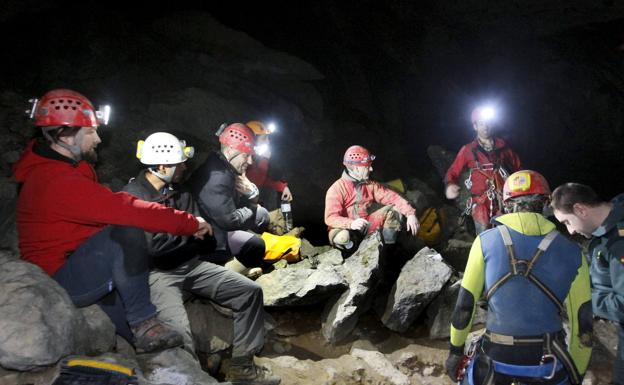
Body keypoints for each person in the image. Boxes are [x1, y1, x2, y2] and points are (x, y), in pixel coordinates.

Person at [13, 89, 211, 353]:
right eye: (90, 131)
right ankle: (145, 323)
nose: (97, 139)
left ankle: (142, 344)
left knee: (155, 349)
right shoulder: (55, 181)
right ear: (65, 135)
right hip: (59, 278)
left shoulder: (66, 169)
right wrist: (190, 223)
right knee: (127, 232)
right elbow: (125, 209)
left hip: (78, 262)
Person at [123, 132, 280, 385]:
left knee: (250, 292)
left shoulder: (181, 192)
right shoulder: (133, 197)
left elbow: (205, 238)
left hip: (192, 266)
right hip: (159, 274)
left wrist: (182, 238)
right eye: (180, 163)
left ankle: (242, 367)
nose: (186, 167)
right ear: (163, 166)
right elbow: (153, 251)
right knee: (179, 335)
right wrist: (189, 235)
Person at [446, 170, 592, 385]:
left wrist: (455, 352)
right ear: (545, 204)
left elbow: (464, 306)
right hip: (547, 362)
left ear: (507, 204)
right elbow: (583, 322)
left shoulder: (484, 242)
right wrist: (577, 372)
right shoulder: (573, 253)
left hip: (495, 359)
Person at [552, 183, 624, 385]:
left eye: (567, 222)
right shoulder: (607, 231)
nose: (571, 231)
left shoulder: (619, 241)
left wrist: (581, 297)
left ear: (580, 209)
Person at [188, 123, 269, 276]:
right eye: (246, 155)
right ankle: (222, 272)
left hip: (218, 221)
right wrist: (251, 205)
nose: (250, 161)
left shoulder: (224, 165)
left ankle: (235, 259)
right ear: (231, 150)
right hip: (210, 236)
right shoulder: (217, 177)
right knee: (256, 244)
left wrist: (252, 195)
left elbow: (233, 206)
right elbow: (230, 221)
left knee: (262, 215)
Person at [324, 145, 420, 251]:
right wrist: (351, 223)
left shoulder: (370, 185)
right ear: (356, 168)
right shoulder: (337, 189)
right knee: (342, 237)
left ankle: (388, 249)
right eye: (367, 166)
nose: (371, 169)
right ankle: (351, 252)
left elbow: (392, 197)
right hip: (346, 228)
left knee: (393, 211)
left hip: (366, 225)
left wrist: (410, 214)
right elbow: (330, 218)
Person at [445, 105, 522, 234]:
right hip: (481, 202)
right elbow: (453, 171)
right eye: (481, 124)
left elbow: (519, 168)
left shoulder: (503, 148)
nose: (485, 127)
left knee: (511, 233)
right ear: (475, 126)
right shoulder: (468, 150)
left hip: (504, 199)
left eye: (488, 123)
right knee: (484, 229)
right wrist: (450, 184)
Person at [245, 120, 293, 209]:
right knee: (269, 195)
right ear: (252, 139)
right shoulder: (243, 157)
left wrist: (283, 187)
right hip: (242, 198)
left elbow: (262, 179)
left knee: (271, 194)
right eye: (264, 139)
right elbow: (252, 181)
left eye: (268, 138)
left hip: (254, 195)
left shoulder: (260, 156)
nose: (268, 142)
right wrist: (262, 159)